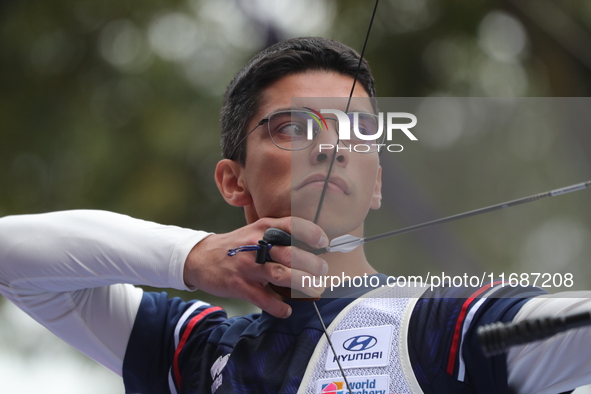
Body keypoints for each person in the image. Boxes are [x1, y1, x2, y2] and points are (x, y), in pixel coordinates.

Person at [1, 37, 591, 394]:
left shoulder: (447, 326)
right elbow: (11, 256)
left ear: (377, 180)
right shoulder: (195, 352)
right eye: (293, 127)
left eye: (359, 132)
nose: (332, 146)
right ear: (234, 181)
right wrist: (193, 256)